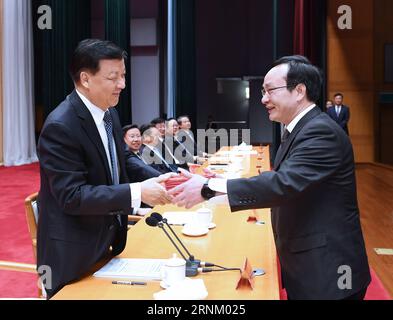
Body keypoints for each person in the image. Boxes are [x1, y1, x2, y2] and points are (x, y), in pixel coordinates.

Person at [169, 55, 371, 300]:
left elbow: (283, 185)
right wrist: (219, 183)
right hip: (312, 262)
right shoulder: (302, 128)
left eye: (269, 91)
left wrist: (208, 188)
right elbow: (290, 178)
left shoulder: (320, 131)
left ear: (299, 91)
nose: (263, 99)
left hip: (328, 270)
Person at [36, 39, 174, 298]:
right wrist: (138, 192)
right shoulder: (61, 126)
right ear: (86, 79)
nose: (122, 84)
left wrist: (165, 179)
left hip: (106, 245)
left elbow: (123, 159)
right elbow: (72, 196)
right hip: (73, 255)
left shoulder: (108, 112)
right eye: (113, 77)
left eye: (123, 75)